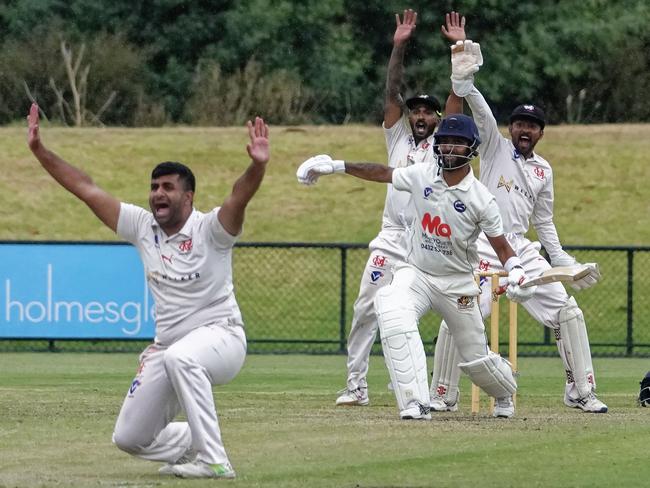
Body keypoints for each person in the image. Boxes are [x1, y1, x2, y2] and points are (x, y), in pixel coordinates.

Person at [26, 102, 271, 478]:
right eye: (154, 186)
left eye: (168, 187)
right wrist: (41, 152)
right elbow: (86, 189)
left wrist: (257, 166)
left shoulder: (211, 230)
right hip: (169, 347)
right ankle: (197, 440)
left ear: (188, 197)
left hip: (223, 339)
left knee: (181, 359)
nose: (158, 193)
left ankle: (213, 460)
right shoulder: (142, 227)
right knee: (130, 437)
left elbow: (238, 197)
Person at [297, 113, 536, 419]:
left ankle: (504, 393)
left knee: (476, 359)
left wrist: (516, 270)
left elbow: (502, 246)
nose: (449, 149)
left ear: (472, 148)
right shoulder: (422, 174)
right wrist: (337, 166)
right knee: (392, 308)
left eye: (458, 144)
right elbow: (383, 173)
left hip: (457, 283)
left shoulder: (482, 199)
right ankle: (415, 402)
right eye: (445, 142)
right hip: (419, 273)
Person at [428, 40, 607, 414]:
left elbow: (544, 222)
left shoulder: (544, 170)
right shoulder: (494, 146)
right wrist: (465, 77)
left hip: (521, 251)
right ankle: (443, 394)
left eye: (532, 126)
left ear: (541, 132)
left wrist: (565, 264)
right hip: (480, 245)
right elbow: (479, 109)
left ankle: (579, 390)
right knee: (461, 313)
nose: (525, 130)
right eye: (520, 124)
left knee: (567, 312)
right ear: (510, 128)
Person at [333, 9, 467, 408]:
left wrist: (458, 48)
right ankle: (356, 386)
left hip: (428, 241)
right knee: (365, 309)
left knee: (415, 314)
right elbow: (391, 91)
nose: (421, 116)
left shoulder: (446, 143)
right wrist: (398, 46)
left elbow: (457, 96)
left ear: (438, 118)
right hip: (392, 238)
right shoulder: (399, 141)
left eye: (428, 111)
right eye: (416, 111)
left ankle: (413, 380)